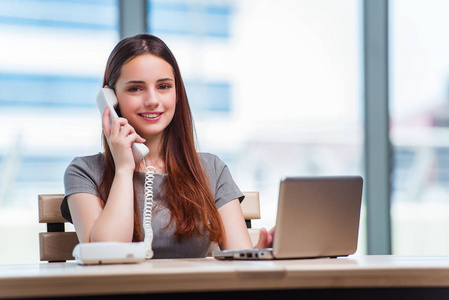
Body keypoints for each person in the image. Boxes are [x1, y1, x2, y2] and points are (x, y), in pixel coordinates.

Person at [61, 34, 274, 258]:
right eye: (135, 88)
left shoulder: (211, 169)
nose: (152, 100)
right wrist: (124, 169)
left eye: (163, 86)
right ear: (110, 98)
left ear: (177, 93)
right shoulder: (83, 172)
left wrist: (263, 252)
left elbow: (239, 257)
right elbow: (103, 256)